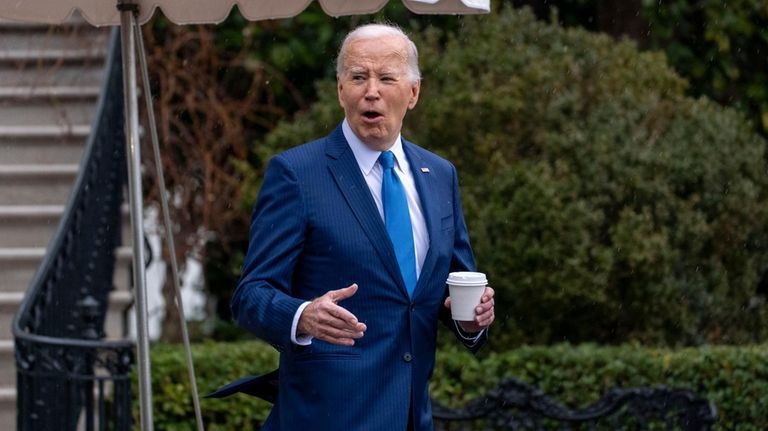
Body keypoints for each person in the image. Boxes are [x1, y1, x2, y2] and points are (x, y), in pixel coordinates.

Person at [226, 23, 495, 431]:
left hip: (410, 417)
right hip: (325, 417)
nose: (371, 90)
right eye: (358, 77)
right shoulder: (297, 174)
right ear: (340, 90)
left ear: (413, 93)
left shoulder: (440, 175)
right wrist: (303, 315)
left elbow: (447, 288)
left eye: (386, 78)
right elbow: (250, 295)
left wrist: (471, 320)